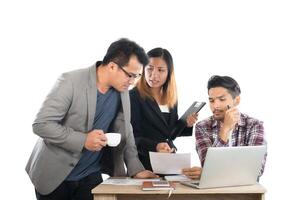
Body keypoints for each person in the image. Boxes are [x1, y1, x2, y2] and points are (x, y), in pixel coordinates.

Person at [25, 38, 158, 200]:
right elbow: (41, 124)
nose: (133, 82)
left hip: (90, 175)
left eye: (137, 76)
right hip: (54, 176)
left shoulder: (122, 88)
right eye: (130, 75)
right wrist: (83, 140)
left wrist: (136, 169)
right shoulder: (70, 81)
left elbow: (125, 128)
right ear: (112, 66)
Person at [182, 75, 267, 179]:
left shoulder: (254, 125)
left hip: (246, 191)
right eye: (212, 100)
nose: (215, 105)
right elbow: (208, 165)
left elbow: (256, 170)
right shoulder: (202, 127)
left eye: (222, 99)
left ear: (236, 100)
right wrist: (225, 129)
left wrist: (208, 173)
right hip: (214, 191)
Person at [130, 48, 198, 171]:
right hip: (144, 163)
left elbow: (169, 133)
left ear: (169, 73)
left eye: (161, 70)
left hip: (169, 161)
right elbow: (132, 137)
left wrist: (186, 124)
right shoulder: (133, 96)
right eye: (149, 68)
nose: (154, 75)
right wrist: (155, 146)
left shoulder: (171, 97)